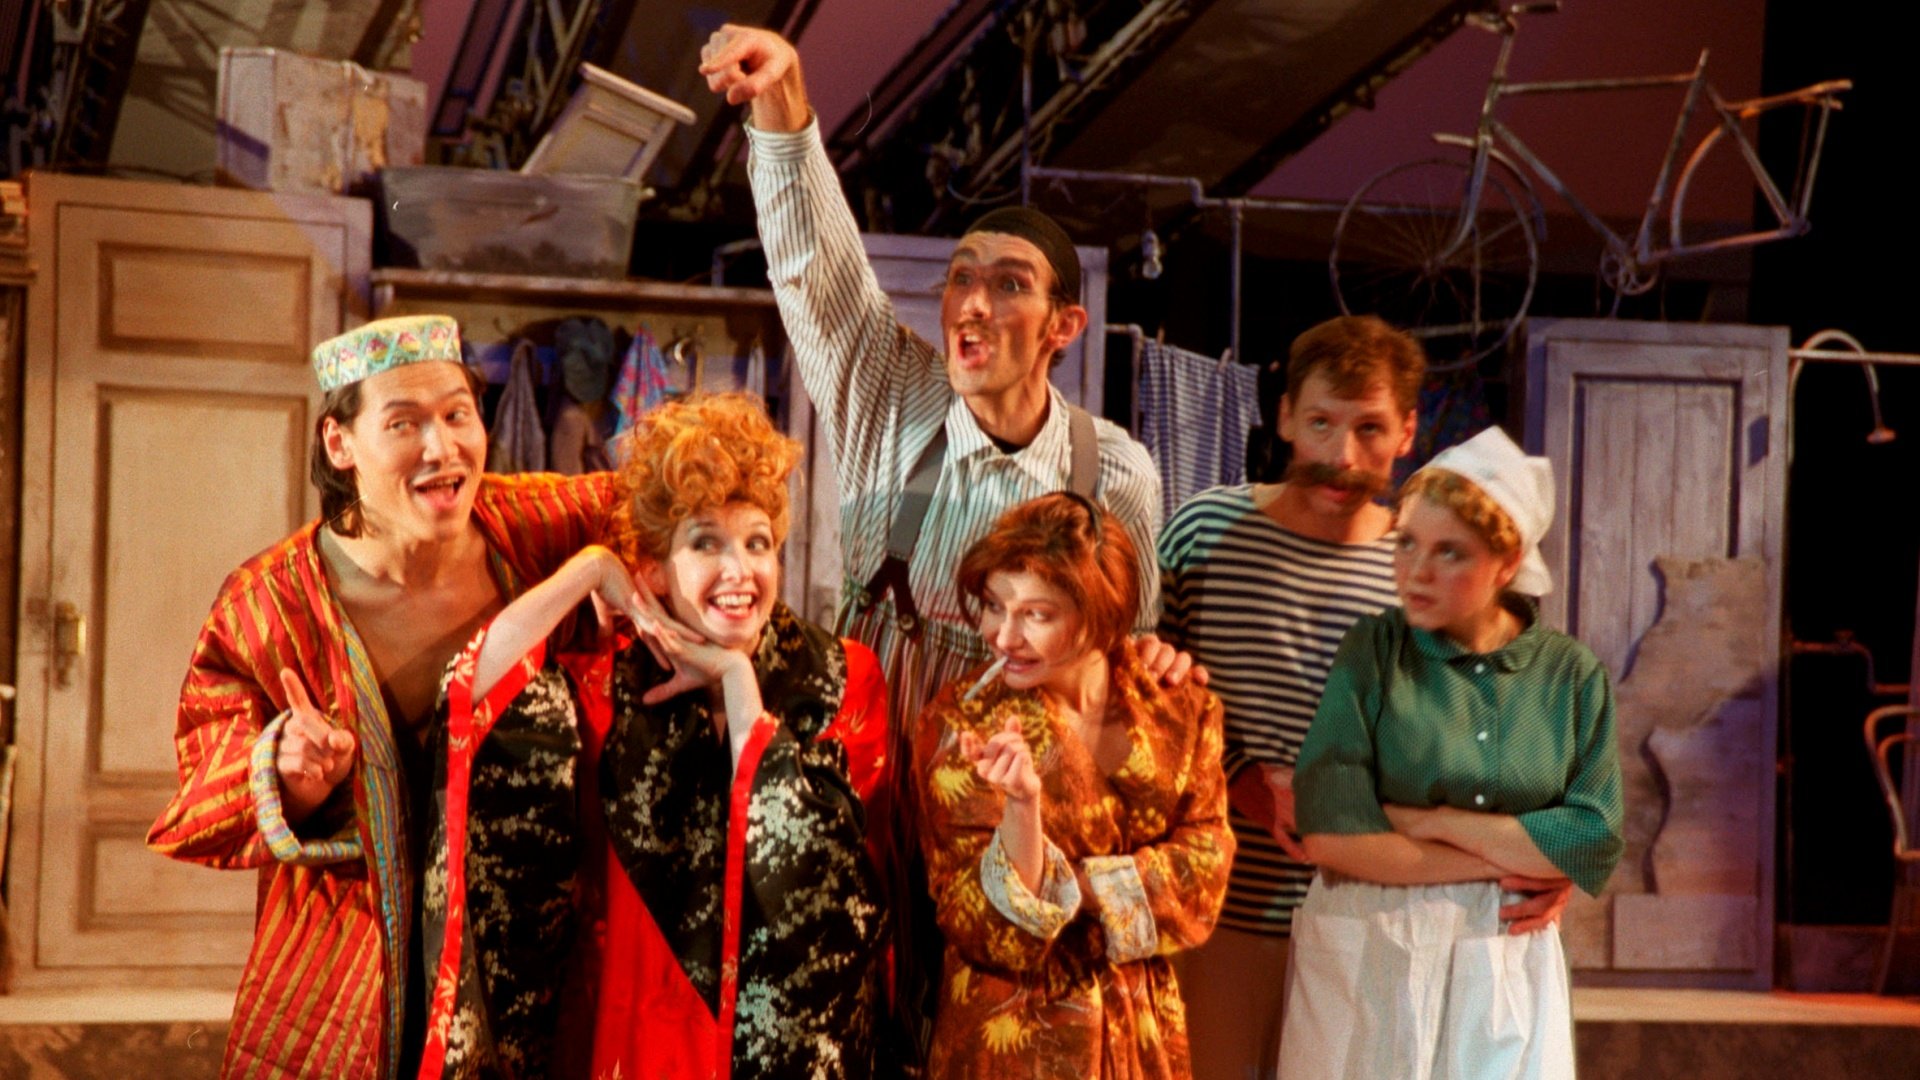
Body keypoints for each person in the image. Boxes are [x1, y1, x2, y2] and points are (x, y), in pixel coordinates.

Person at [699, 25, 1171, 1061]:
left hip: (1006, 814)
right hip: (861, 790)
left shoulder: (1116, 475)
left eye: (1010, 283)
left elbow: (1126, 676)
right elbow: (818, 273)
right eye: (962, 276)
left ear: (1064, 327)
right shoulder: (890, 393)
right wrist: (782, 109)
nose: (973, 300)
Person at [147, 315, 614, 1079]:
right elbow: (202, 789)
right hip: (344, 978)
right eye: (404, 423)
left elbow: (691, 502)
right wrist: (287, 775)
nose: (442, 447)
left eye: (458, 414)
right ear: (340, 443)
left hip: (523, 967)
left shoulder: (538, 529)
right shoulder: (269, 605)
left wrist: (613, 569)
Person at [420, 393, 890, 1079]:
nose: (740, 571)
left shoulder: (842, 677)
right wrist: (589, 569)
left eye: (757, 542)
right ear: (653, 572)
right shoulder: (610, 683)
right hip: (630, 1039)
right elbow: (468, 695)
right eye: (705, 543)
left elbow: (824, 880)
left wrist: (736, 680)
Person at [1157, 315, 1574, 1078]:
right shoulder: (1202, 532)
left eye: (1369, 428)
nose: (1341, 457)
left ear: (1408, 431)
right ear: (1285, 416)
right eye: (1321, 423)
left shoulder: (1429, 565)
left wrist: (1549, 860)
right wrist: (1238, 777)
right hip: (1221, 915)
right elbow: (1144, 705)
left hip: (1382, 926)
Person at [1280, 426, 1625, 1078]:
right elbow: (1329, 834)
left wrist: (1425, 820)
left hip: (1505, 956)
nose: (1416, 571)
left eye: (1450, 553)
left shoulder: (1570, 676)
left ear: (1507, 561)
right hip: (1371, 947)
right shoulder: (1374, 652)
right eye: (1406, 542)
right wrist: (1510, 857)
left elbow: (1589, 841)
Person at [913, 493, 1232, 1078]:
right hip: (1009, 1041)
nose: (1002, 636)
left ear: (1101, 615)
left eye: (1036, 615)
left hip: (1141, 1037)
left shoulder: (1181, 710)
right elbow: (982, 928)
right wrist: (1024, 808)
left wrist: (1067, 885)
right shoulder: (962, 723)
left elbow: (1202, 885)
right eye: (993, 606)